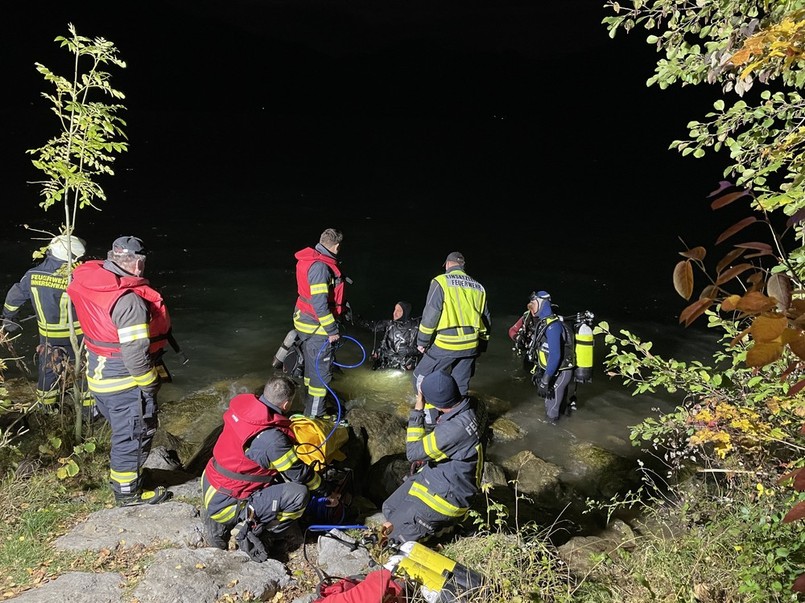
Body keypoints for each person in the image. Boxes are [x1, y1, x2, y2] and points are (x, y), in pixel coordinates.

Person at [66, 236, 172, 506]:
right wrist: (149, 384)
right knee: (134, 435)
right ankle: (128, 494)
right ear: (137, 263)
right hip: (124, 382)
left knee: (123, 433)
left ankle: (127, 478)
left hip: (99, 373)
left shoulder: (93, 283)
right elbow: (135, 356)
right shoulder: (130, 303)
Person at [200, 374, 338, 560]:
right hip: (228, 502)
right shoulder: (271, 438)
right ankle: (259, 532)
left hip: (212, 481)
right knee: (299, 494)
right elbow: (300, 475)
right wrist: (326, 491)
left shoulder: (242, 409)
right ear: (286, 405)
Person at [382, 370, 482, 545]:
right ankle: (425, 526)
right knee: (389, 508)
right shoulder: (474, 404)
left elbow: (413, 453)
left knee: (392, 538)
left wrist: (418, 409)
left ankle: (443, 530)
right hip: (442, 476)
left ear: (434, 402)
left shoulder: (452, 432)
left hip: (446, 497)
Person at [1, 234, 91, 413]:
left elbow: (14, 297)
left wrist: (9, 318)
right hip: (76, 338)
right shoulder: (76, 276)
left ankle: (46, 410)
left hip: (48, 337)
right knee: (83, 372)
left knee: (48, 373)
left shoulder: (32, 274)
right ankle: (88, 412)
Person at [412, 251, 491, 397]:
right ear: (462, 266)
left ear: (447, 264)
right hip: (471, 344)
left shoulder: (440, 281)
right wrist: (482, 345)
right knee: (460, 383)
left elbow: (431, 315)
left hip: (448, 343)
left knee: (420, 377)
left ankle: (428, 414)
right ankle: (455, 415)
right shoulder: (478, 287)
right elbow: (485, 318)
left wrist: (422, 341)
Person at [292, 228, 348, 418]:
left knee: (310, 370)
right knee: (321, 375)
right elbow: (320, 304)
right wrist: (332, 330)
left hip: (305, 322)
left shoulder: (312, 259)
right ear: (337, 246)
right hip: (317, 327)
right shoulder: (321, 268)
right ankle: (315, 416)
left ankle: (309, 406)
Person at [510, 290, 575, 423]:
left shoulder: (552, 326)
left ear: (542, 304)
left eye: (533, 304)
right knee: (556, 404)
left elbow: (555, 356)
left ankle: (551, 430)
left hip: (561, 370)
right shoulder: (543, 322)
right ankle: (563, 423)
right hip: (554, 369)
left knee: (551, 405)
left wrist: (545, 380)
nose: (531, 307)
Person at [356, 300, 422, 371]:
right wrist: (355, 319)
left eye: (399, 310)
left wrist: (408, 351)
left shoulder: (415, 328)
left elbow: (423, 349)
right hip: (385, 364)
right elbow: (371, 326)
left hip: (403, 367)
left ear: (405, 312)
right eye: (394, 309)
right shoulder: (389, 324)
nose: (395, 313)